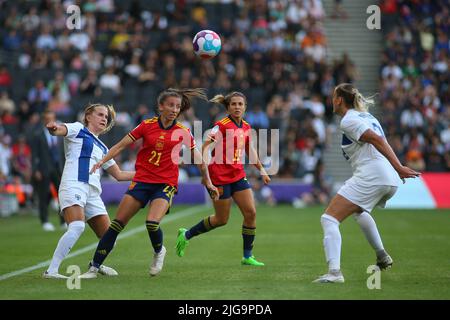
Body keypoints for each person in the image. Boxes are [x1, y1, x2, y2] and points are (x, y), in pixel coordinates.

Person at [79, 88, 219, 279]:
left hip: (165, 183)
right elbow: (120, 145)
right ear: (160, 106)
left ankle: (159, 251)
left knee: (152, 223)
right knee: (116, 225)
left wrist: (208, 183)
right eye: (170, 105)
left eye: (177, 106)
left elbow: (200, 161)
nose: (174, 109)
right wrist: (102, 161)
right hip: (142, 181)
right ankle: (94, 268)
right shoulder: (146, 125)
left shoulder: (183, 132)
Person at [313, 83, 420, 283]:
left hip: (374, 175)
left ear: (338, 100)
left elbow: (377, 140)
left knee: (329, 219)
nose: (331, 101)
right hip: (387, 178)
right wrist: (395, 171)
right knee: (359, 212)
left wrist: (399, 167)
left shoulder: (349, 120)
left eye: (333, 97)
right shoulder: (367, 116)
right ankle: (382, 256)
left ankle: (334, 273)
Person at [175, 91, 271, 266]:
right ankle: (186, 234)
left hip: (238, 175)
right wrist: (205, 174)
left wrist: (262, 170)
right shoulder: (221, 125)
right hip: (218, 177)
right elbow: (205, 147)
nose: (237, 107)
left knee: (251, 213)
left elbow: (250, 150)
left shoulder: (246, 127)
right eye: (233, 104)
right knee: (221, 220)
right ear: (228, 107)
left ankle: (247, 256)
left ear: (245, 107)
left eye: (240, 104)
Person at [43, 103, 135, 279]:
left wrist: (148, 174)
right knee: (77, 226)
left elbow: (119, 174)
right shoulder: (78, 129)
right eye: (100, 114)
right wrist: (54, 128)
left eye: (106, 117)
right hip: (74, 184)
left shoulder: (103, 147)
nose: (103, 119)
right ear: (88, 117)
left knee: (110, 239)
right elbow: (60, 130)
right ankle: (51, 271)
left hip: (93, 192)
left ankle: (95, 265)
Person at [31, 109, 65, 231]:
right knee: (43, 195)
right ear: (43, 120)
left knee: (62, 195)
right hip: (44, 169)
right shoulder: (38, 134)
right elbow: (34, 155)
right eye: (47, 118)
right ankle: (45, 221)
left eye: (51, 118)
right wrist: (35, 170)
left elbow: (62, 153)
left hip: (58, 168)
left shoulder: (60, 133)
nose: (49, 120)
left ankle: (63, 221)